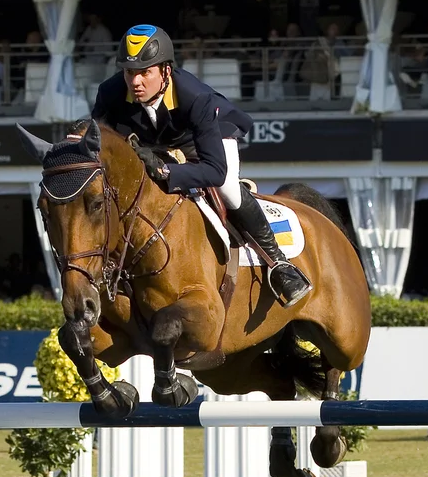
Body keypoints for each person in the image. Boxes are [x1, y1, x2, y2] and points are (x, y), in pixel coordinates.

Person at [91, 24, 312, 307]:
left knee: (228, 188)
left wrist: (166, 172)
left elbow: (215, 170)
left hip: (206, 137)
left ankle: (279, 265)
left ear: (166, 72)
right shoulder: (109, 93)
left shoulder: (196, 97)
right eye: (129, 72)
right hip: (154, 142)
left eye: (145, 72)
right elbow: (101, 144)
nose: (135, 82)